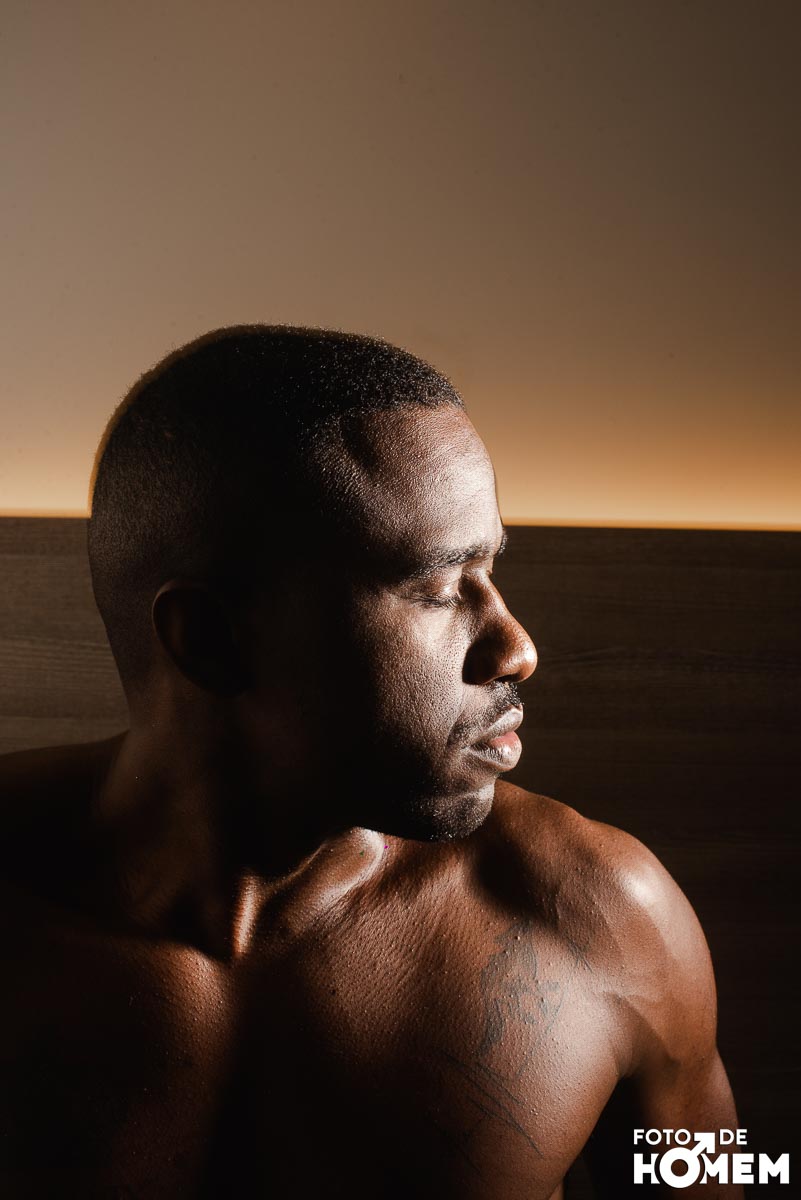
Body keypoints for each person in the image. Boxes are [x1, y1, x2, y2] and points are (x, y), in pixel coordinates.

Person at [0, 326, 740, 1198]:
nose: (516, 648)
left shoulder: (603, 917)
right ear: (210, 641)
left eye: (489, 569)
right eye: (437, 588)